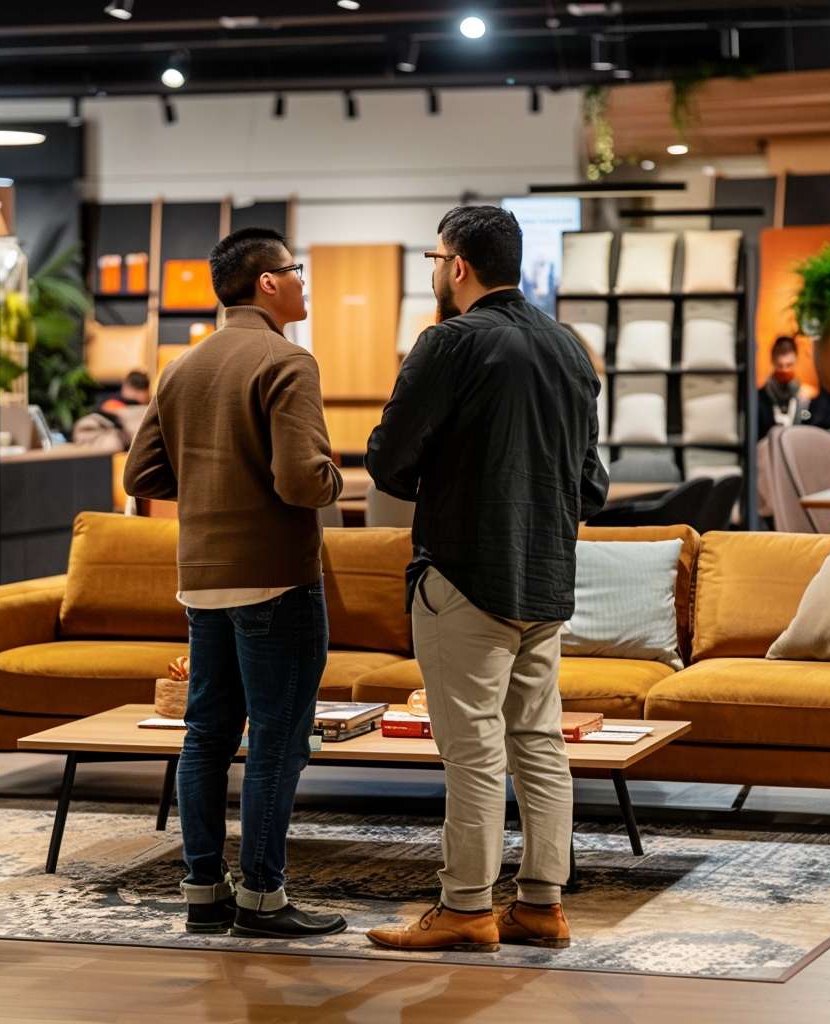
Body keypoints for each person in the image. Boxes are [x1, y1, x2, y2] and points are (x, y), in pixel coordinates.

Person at [364, 206, 609, 953]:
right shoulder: (569, 348)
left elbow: (386, 461)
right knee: (537, 742)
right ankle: (540, 905)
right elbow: (590, 489)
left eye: (434, 261)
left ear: (457, 266)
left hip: (465, 573)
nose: (435, 274)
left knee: (470, 750)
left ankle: (466, 908)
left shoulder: (448, 343)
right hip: (546, 579)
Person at [123, 227, 346, 940]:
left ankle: (202, 892)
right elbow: (302, 480)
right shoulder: (287, 360)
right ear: (269, 283)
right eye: (297, 270)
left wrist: (215, 484)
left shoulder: (183, 367)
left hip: (203, 581)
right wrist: (335, 473)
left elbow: (142, 476)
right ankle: (262, 898)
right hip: (276, 581)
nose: (304, 281)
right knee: (279, 742)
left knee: (204, 737)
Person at [757, 335, 830, 440]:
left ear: (795, 360)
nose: (784, 370)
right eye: (780, 366)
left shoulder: (806, 399)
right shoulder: (760, 398)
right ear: (773, 361)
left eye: (788, 365)